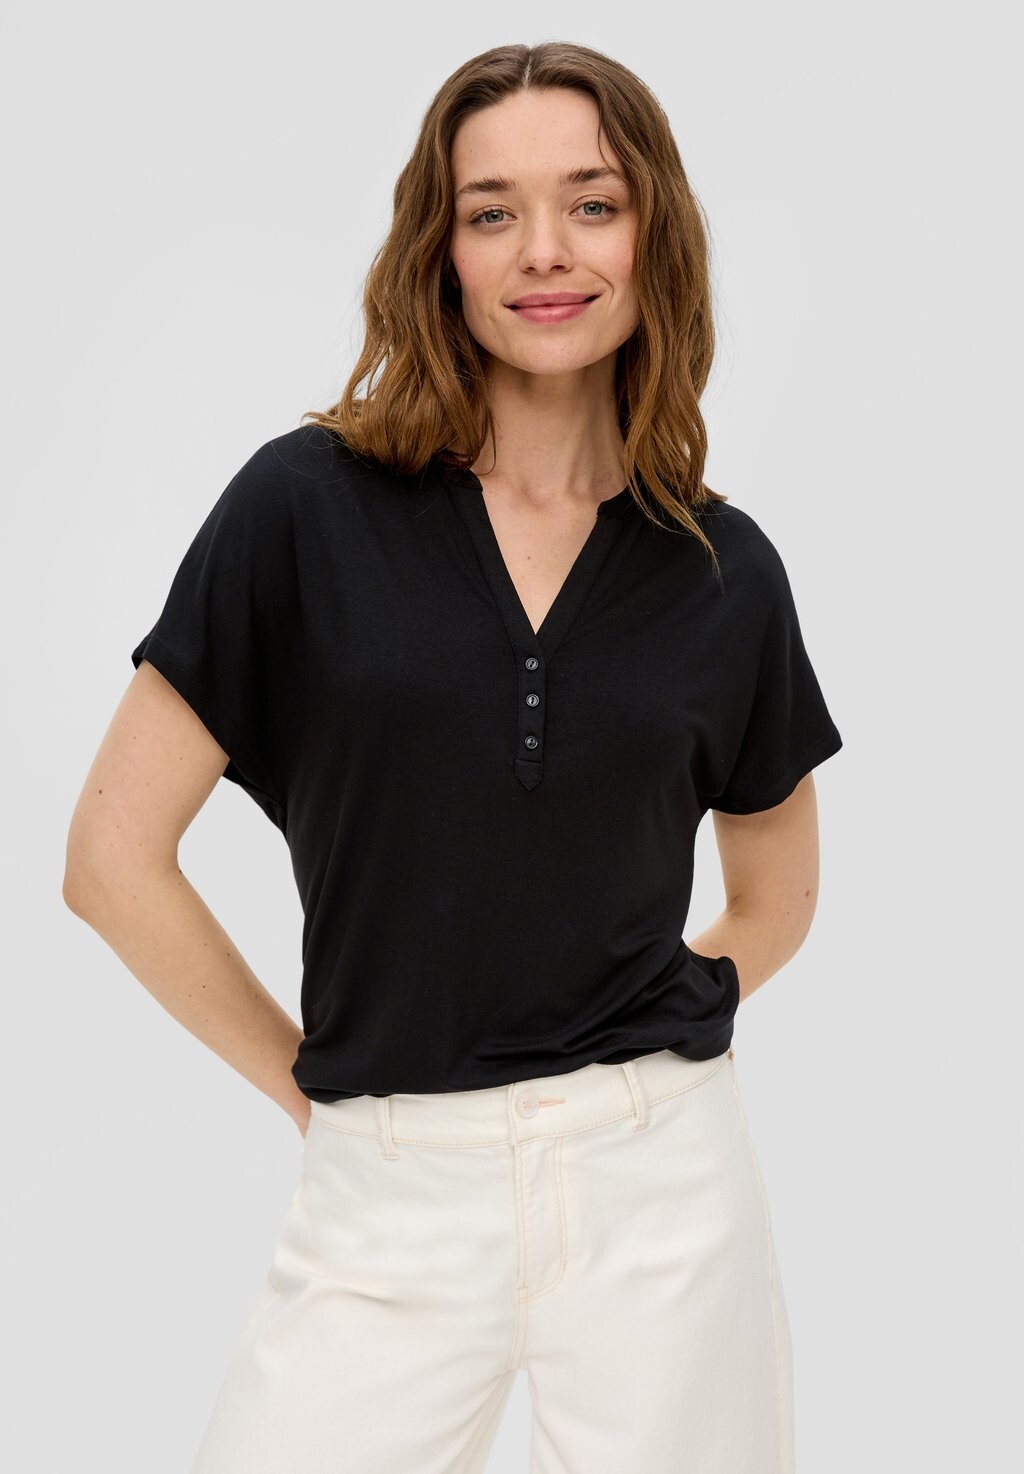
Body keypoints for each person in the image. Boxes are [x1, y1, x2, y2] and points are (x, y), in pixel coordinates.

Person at [63, 40, 843, 1474]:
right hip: (385, 1194)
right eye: (493, 211)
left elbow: (778, 893)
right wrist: (316, 1091)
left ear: (655, 234)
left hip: (661, 1188)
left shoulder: (723, 569)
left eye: (593, 204)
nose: (545, 250)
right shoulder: (304, 507)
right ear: (442, 249)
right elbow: (111, 858)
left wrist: (650, 1037)